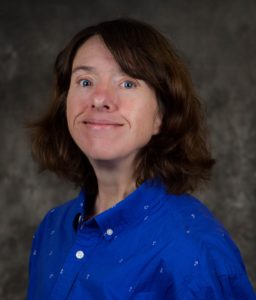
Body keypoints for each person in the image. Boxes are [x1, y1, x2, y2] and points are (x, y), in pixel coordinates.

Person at [27, 18, 255, 299]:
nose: (99, 99)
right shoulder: (53, 228)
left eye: (127, 83)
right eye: (85, 81)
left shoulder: (194, 250)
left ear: (161, 115)